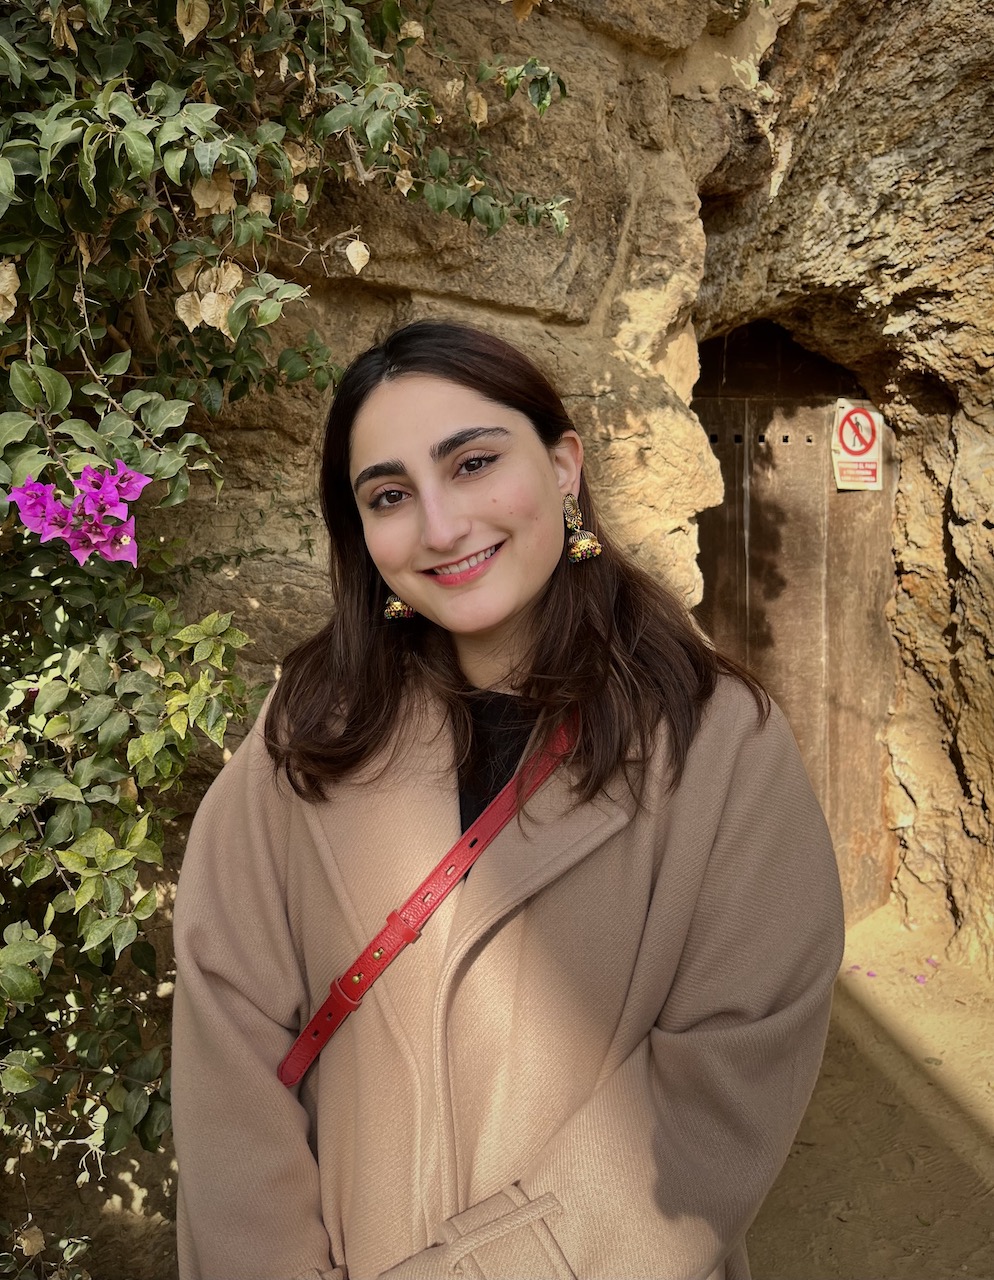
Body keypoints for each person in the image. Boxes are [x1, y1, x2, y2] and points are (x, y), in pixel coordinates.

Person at [171, 320, 844, 1280]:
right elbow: (226, 1031)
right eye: (391, 495)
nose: (441, 527)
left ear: (564, 468)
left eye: (475, 462)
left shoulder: (721, 743)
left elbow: (723, 1080)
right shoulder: (310, 722)